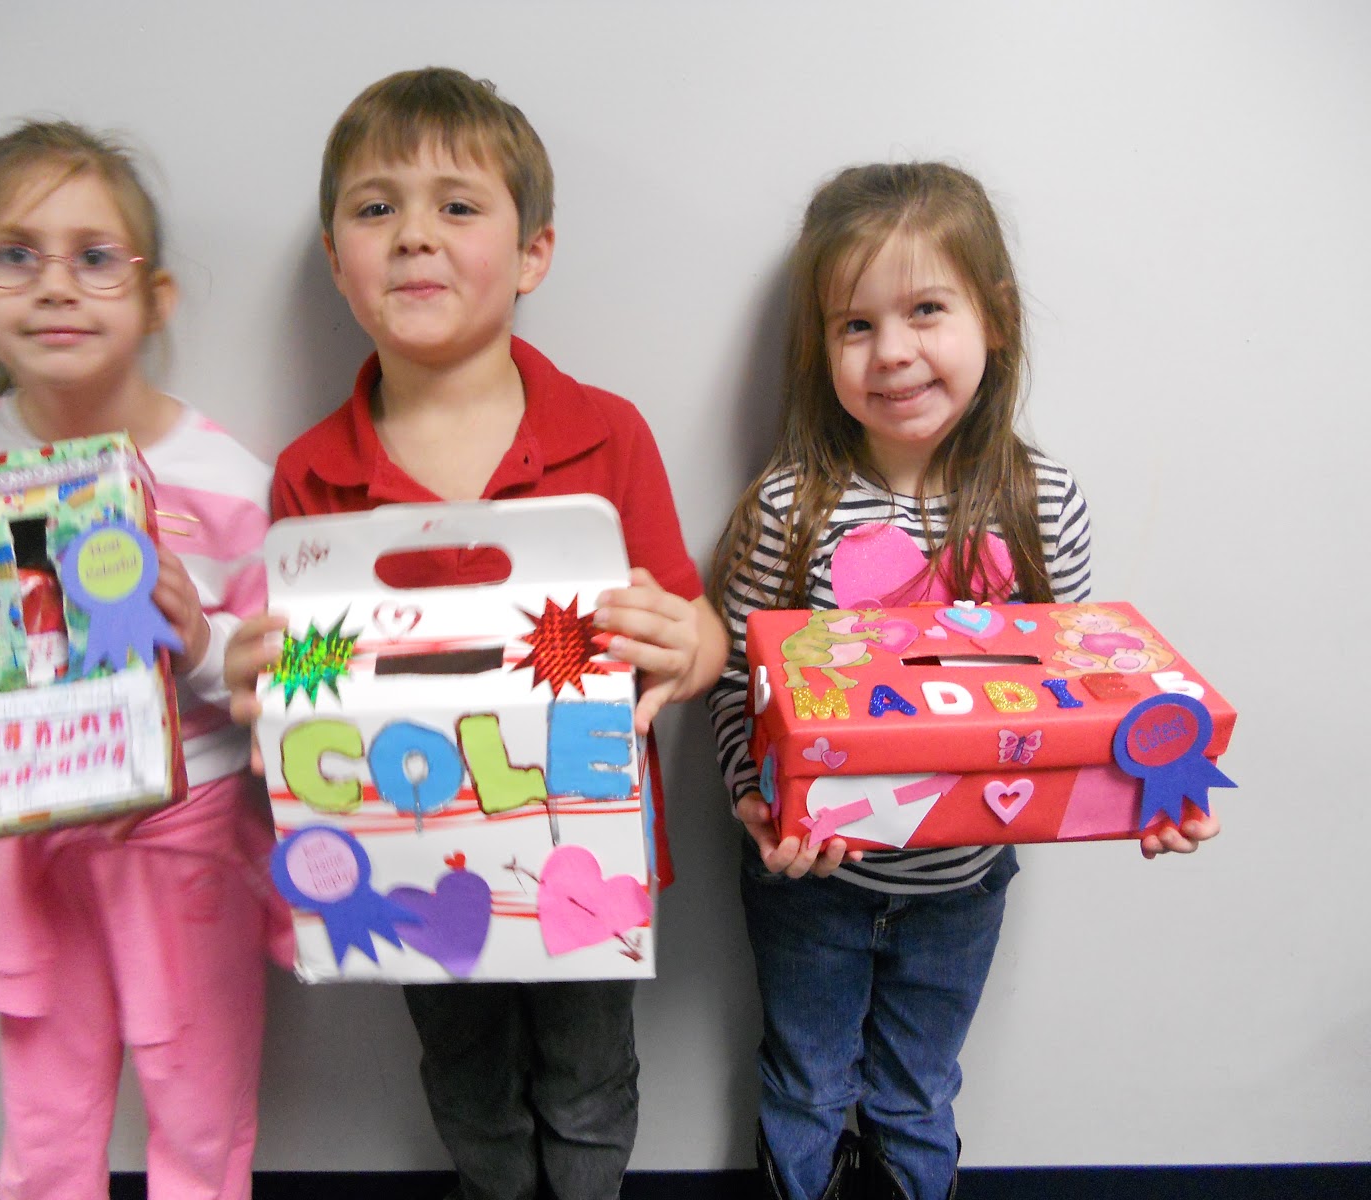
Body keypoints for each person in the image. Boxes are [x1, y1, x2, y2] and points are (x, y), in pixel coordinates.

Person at [224, 68, 728, 1200]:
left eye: (457, 206)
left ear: (533, 255)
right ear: (333, 257)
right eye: (375, 208)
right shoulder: (313, 474)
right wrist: (266, 679)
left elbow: (694, 632)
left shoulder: (605, 436)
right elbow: (309, 678)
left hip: (579, 849)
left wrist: (689, 645)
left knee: (590, 1070)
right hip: (408, 845)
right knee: (459, 1065)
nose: (413, 237)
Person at [706, 162, 1219, 1200]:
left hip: (964, 889)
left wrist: (1152, 791)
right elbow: (735, 688)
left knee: (918, 1094)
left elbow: (1084, 696)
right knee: (805, 1089)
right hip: (814, 887)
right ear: (821, 350)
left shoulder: (1041, 502)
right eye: (854, 325)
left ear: (992, 317)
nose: (892, 350)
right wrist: (753, 802)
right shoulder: (786, 510)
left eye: (925, 310)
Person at [0, 120, 292, 1200]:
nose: (56, 285)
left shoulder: (223, 475)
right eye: (15, 254)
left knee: (199, 1112)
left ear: (154, 297)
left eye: (95, 256)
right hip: (30, 832)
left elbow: (272, 693)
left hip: (189, 830)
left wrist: (195, 636)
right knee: (49, 1120)